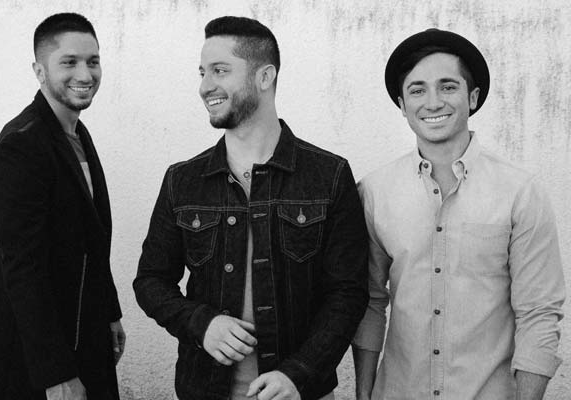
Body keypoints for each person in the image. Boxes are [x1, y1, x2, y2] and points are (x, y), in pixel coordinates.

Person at [134, 15, 368, 400]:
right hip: (205, 391)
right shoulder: (183, 180)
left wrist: (299, 373)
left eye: (220, 70)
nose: (205, 86)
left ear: (265, 77)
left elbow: (348, 293)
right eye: (202, 73)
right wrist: (201, 324)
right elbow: (150, 281)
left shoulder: (329, 175)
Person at [352, 28, 565, 400]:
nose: (433, 102)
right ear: (402, 104)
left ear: (473, 97)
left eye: (448, 87)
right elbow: (369, 301)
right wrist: (363, 392)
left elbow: (538, 313)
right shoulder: (374, 191)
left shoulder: (520, 191)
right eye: (417, 90)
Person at [0, 13, 125, 400]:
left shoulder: (76, 133)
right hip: (30, 357)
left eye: (93, 61)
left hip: (84, 331)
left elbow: (91, 240)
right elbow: (21, 267)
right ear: (39, 71)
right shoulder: (21, 145)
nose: (85, 74)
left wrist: (109, 312)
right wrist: (56, 374)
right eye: (69, 62)